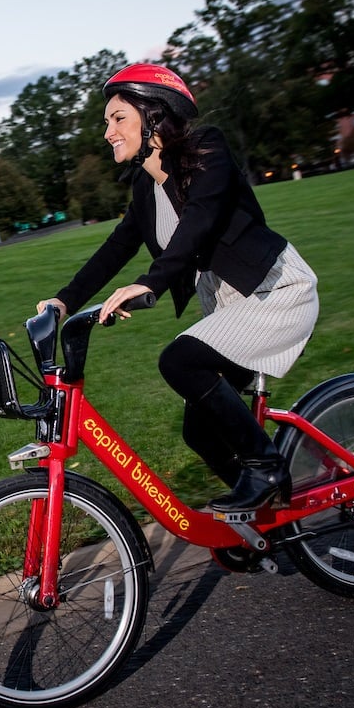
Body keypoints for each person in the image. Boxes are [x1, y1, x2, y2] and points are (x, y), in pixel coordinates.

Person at [36, 63, 319, 513]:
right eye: (106, 121)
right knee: (201, 431)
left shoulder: (208, 150)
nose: (108, 131)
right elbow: (115, 249)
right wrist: (63, 300)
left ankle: (266, 468)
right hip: (231, 311)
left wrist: (149, 283)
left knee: (180, 360)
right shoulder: (146, 191)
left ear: (153, 115)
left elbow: (198, 225)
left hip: (274, 294)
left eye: (118, 118)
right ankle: (265, 518)